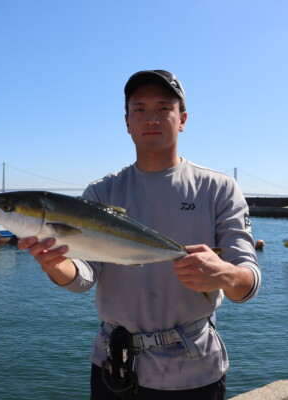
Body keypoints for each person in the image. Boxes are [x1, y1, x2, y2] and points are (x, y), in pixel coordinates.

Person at [18, 70, 261, 399]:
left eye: (164, 108)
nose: (151, 118)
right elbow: (84, 276)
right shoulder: (102, 192)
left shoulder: (218, 188)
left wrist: (227, 275)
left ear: (183, 119)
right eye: (140, 109)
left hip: (194, 370)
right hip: (113, 368)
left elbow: (247, 280)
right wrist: (53, 264)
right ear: (127, 121)